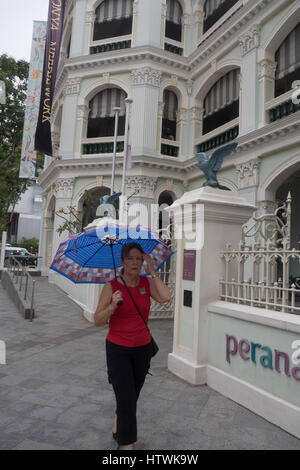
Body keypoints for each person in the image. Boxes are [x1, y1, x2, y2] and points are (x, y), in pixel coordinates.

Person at [94, 242, 171, 450]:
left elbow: (166, 297)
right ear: (122, 261)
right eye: (131, 258)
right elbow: (97, 320)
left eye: (139, 258)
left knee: (131, 395)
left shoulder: (146, 283)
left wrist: (152, 270)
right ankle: (126, 446)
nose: (135, 263)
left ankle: (119, 424)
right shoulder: (112, 286)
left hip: (142, 350)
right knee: (127, 399)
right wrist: (112, 306)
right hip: (118, 350)